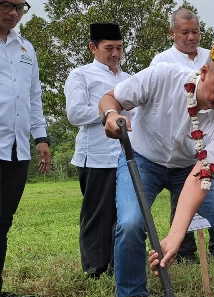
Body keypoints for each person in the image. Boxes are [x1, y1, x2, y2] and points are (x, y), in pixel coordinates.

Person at [99, 20, 214, 297]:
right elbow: (111, 97)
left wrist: (173, 237)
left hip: (190, 168)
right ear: (204, 73)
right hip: (144, 161)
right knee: (131, 223)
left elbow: (200, 177)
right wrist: (111, 114)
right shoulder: (162, 76)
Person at [65, 23, 132, 278]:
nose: (115, 53)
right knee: (97, 213)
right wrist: (109, 112)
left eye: (119, 48)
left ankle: (118, 264)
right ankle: (95, 268)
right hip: (95, 156)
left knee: (123, 213)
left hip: (125, 156)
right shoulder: (81, 75)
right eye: (109, 48)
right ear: (93, 48)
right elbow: (74, 113)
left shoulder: (128, 79)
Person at [0, 0, 51, 297]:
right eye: (8, 5)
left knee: (3, 222)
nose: (15, 13)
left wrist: (41, 137)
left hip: (16, 149)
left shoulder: (25, 48)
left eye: (20, 6)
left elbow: (33, 97)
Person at [150, 7, 210, 262]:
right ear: (173, 33)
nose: (191, 37)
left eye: (195, 31)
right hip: (180, 142)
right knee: (182, 194)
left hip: (213, 139)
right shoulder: (162, 61)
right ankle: (184, 249)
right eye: (184, 32)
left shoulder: (212, 56)